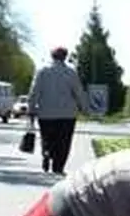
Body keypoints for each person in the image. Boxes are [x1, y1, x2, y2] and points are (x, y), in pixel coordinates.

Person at [27, 46, 88, 175]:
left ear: (51, 56)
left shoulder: (42, 71)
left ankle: (47, 152)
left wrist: (31, 107)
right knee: (64, 141)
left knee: (47, 137)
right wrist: (84, 108)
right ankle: (58, 166)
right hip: (67, 114)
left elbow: (35, 91)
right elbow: (78, 92)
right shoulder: (71, 72)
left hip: (46, 113)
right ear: (65, 57)